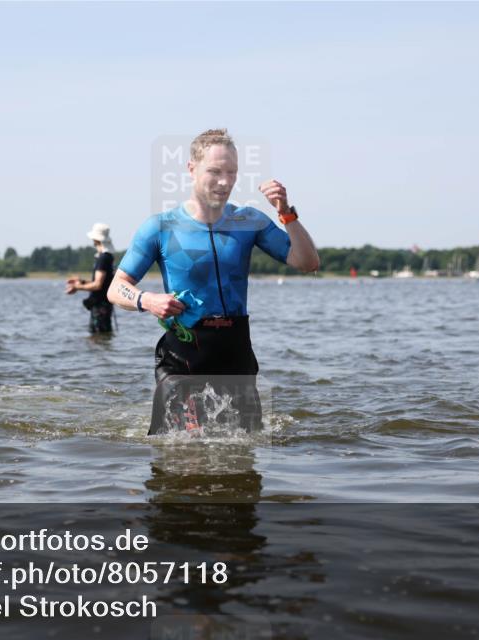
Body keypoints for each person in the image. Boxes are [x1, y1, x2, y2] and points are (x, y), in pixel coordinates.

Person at [108, 129, 320, 434]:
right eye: (215, 172)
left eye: (232, 172)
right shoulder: (160, 227)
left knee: (245, 448)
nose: (225, 181)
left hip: (236, 351)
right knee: (178, 451)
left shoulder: (249, 221)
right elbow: (116, 288)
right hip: (183, 353)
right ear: (191, 168)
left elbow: (308, 262)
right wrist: (147, 300)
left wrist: (286, 213)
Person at [65, 223, 116, 333]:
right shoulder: (107, 257)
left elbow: (97, 285)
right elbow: (102, 282)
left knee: (98, 337)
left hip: (100, 306)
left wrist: (77, 287)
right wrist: (81, 282)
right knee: (103, 337)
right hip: (105, 305)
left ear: (96, 240)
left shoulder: (103, 258)